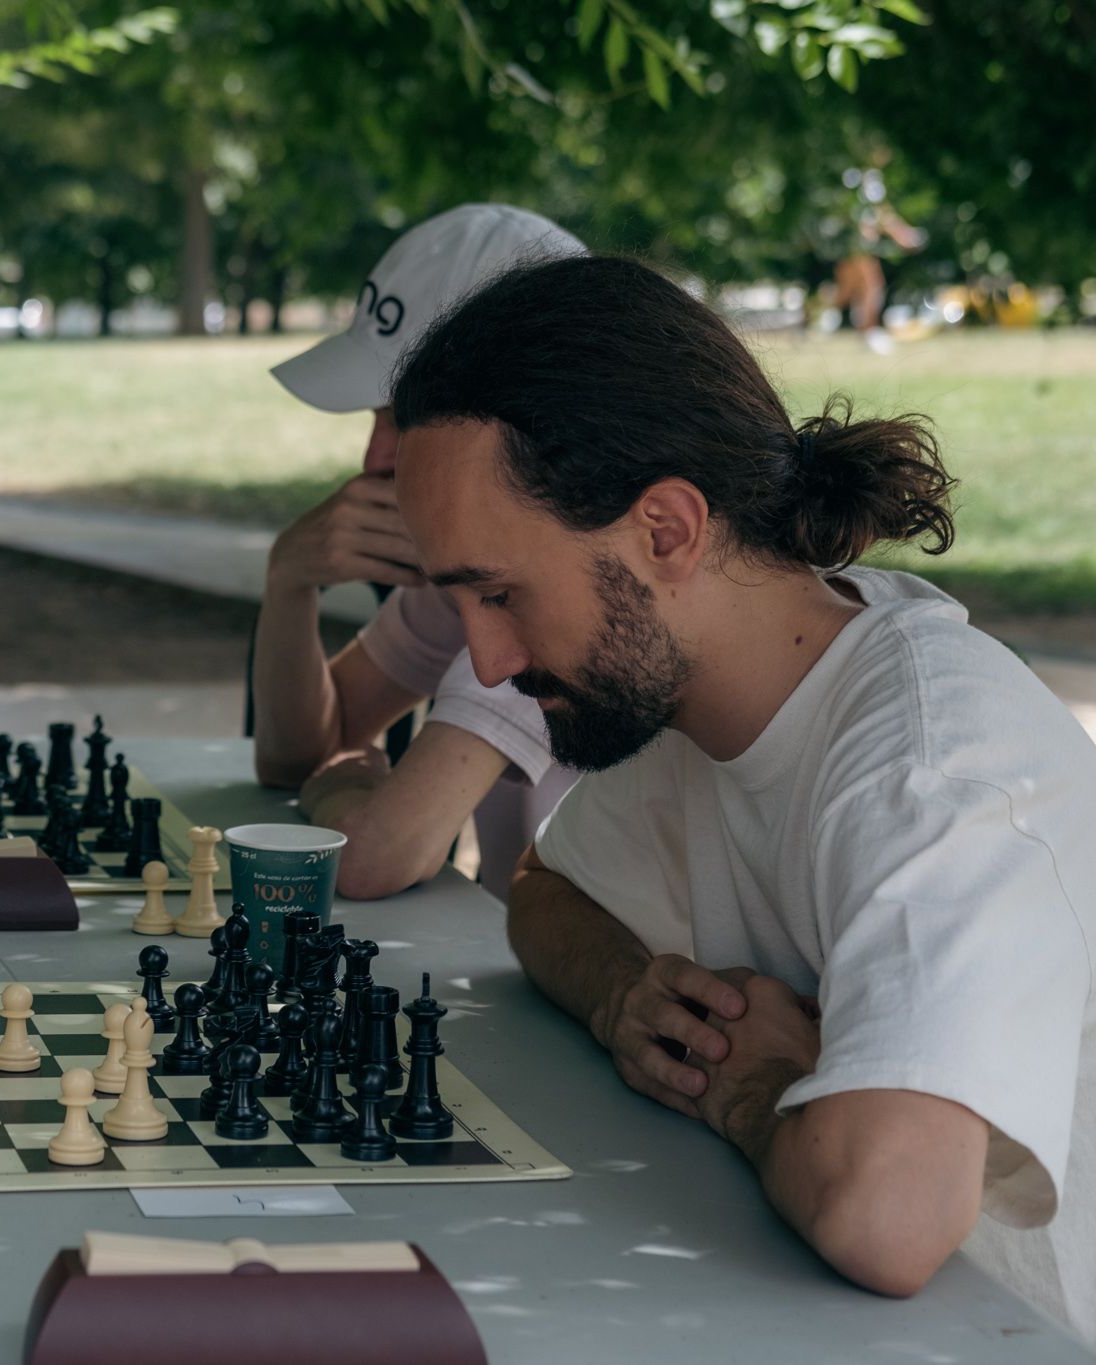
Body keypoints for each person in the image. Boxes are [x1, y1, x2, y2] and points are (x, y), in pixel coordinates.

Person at [388, 254, 1095, 1341]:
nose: (486, 661)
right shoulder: (695, 687)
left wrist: (743, 1086)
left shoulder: (934, 763)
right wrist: (627, 995)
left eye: (499, 592)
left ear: (666, 531)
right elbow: (543, 892)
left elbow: (890, 1218)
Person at [253, 205, 584, 900]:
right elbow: (295, 757)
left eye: (403, 417)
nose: (373, 458)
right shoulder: (468, 573)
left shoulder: (558, 572)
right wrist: (289, 579)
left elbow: (376, 856)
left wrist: (345, 790)